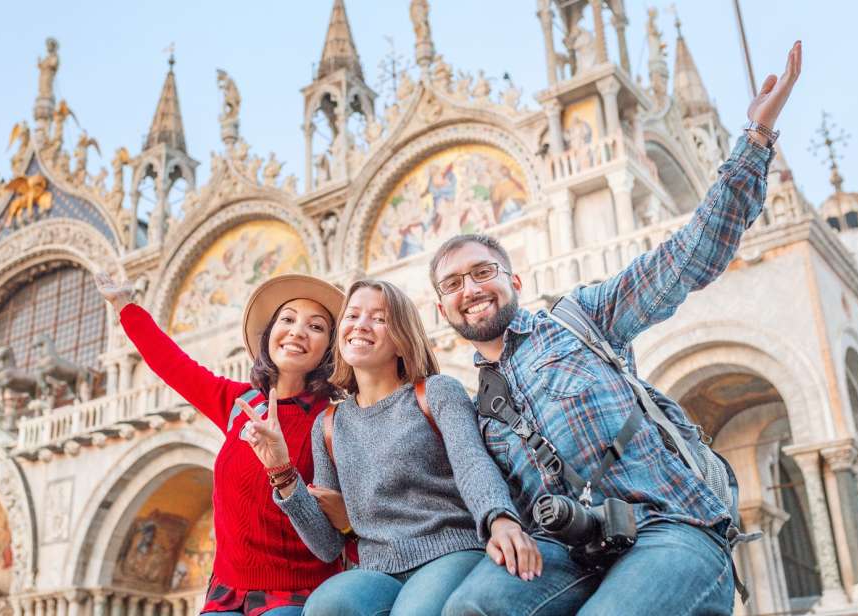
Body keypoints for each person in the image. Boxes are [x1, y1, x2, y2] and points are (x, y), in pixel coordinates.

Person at [436, 42, 802, 616]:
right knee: (469, 609)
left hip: (668, 527)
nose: (471, 290)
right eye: (453, 284)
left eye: (483, 273)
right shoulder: (475, 406)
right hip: (569, 551)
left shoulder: (582, 319)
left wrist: (755, 139)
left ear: (516, 280)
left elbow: (688, 258)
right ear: (442, 310)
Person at [235, 279, 540, 616]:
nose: (361, 325)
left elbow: (472, 464)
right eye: (352, 316)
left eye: (379, 318)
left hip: (450, 551)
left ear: (400, 339)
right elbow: (326, 545)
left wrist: (499, 519)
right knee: (325, 606)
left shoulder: (436, 393)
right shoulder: (330, 424)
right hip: (377, 570)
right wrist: (281, 470)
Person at [94, 271, 347, 616]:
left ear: (329, 349)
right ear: (269, 334)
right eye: (287, 319)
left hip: (298, 596)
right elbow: (172, 364)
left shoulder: (333, 421)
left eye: (316, 327)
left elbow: (336, 534)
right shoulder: (238, 403)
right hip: (227, 594)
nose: (297, 331)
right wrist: (125, 305)